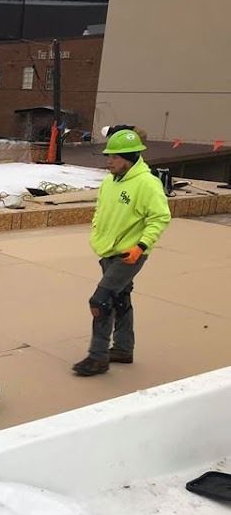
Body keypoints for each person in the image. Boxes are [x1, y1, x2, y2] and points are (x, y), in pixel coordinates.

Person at [72, 128, 171, 376]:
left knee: (101, 301)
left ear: (129, 158)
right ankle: (124, 349)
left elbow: (160, 217)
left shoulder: (147, 184)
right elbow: (101, 210)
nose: (109, 162)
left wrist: (141, 246)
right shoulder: (109, 181)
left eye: (114, 157)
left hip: (130, 254)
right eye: (109, 156)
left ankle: (98, 357)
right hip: (107, 251)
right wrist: (97, 232)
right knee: (120, 299)